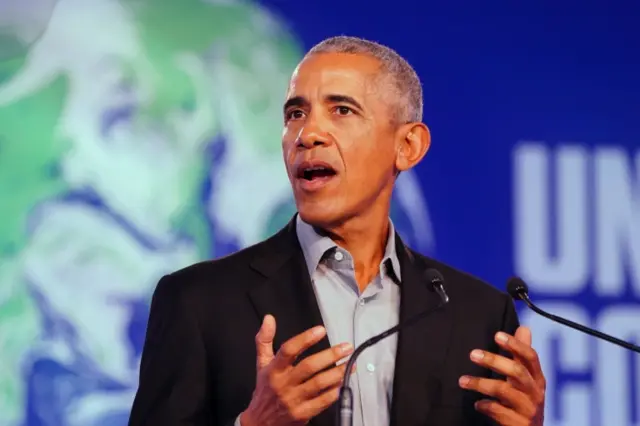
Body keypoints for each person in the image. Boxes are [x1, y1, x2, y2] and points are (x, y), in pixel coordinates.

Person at [128, 36, 546, 426]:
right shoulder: (198, 303)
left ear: (408, 147)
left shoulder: (478, 315)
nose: (307, 134)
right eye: (295, 113)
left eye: (341, 110)